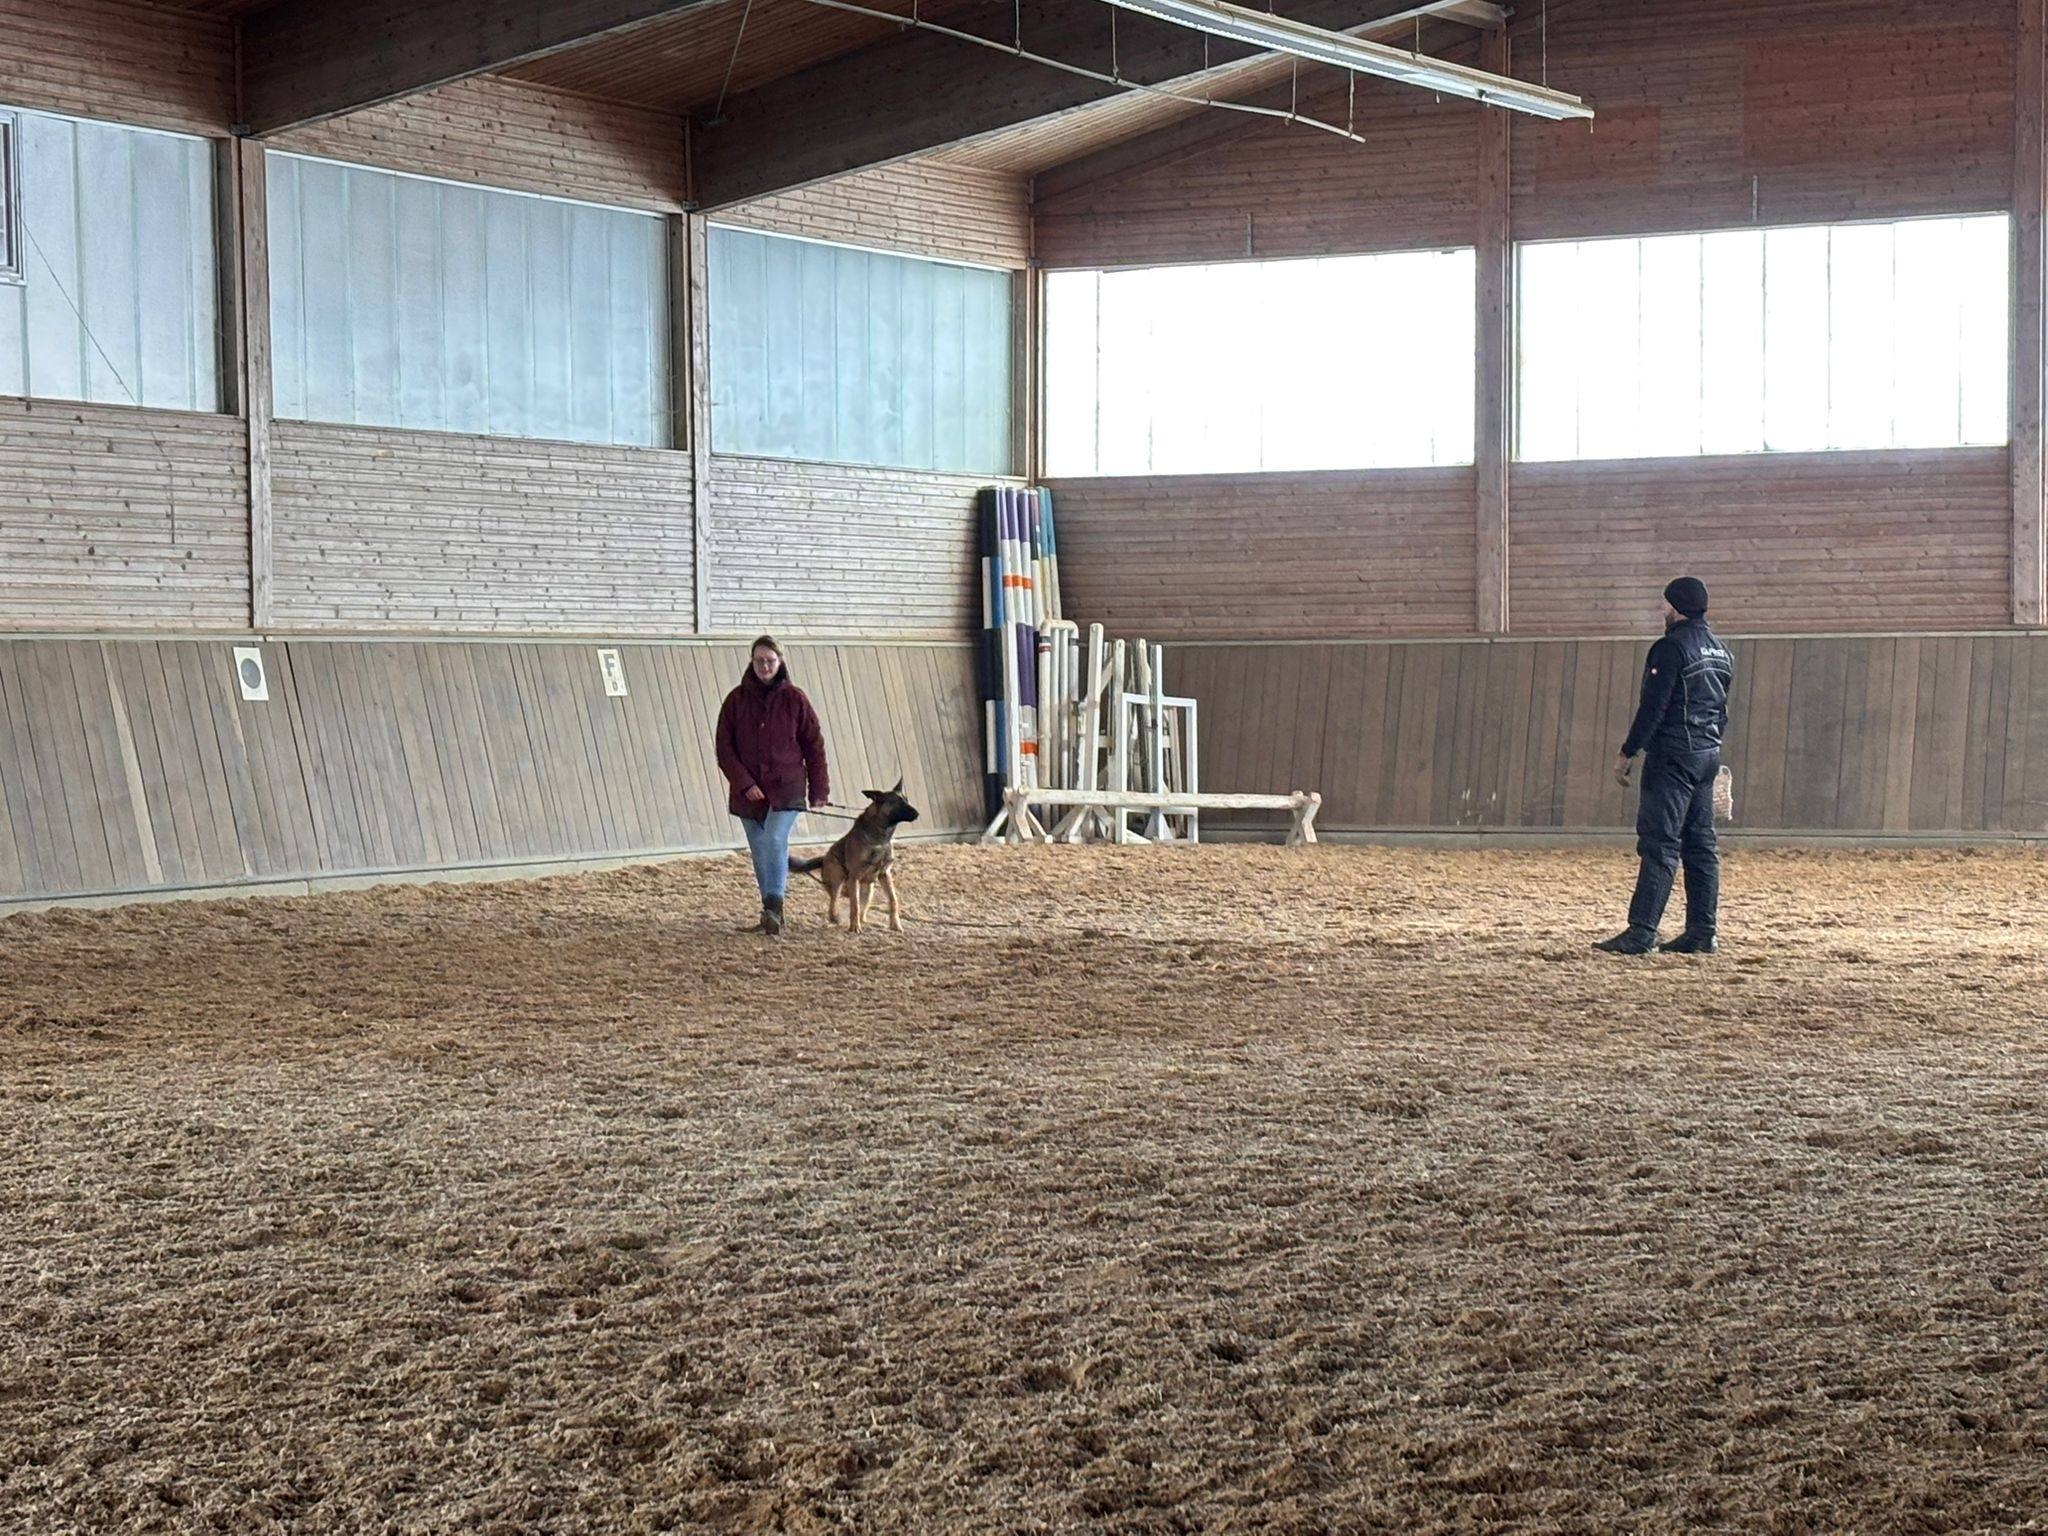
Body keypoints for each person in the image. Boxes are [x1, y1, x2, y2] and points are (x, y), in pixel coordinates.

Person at [1596, 577, 1736, 956]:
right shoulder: (1722, 651)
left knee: (1659, 842)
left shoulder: (1671, 648)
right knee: (1701, 845)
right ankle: (1702, 931)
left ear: (1675, 607)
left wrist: (1628, 751)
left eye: (1665, 604)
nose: (1663, 610)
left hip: (1673, 756)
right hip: (1706, 755)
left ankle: (1642, 931)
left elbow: (1654, 707)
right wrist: (1712, 752)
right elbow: (1721, 711)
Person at [715, 636, 829, 936]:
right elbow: (724, 749)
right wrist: (744, 783)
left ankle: (774, 907)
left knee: (774, 840)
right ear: (752, 662)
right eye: (759, 661)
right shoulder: (736, 700)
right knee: (759, 850)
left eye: (770, 660)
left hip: (786, 787)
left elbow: (814, 746)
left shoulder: (796, 699)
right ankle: (770, 911)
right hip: (748, 792)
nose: (764, 666)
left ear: (780, 662)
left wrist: (819, 790)